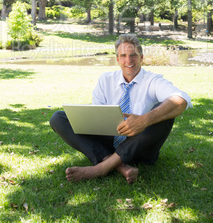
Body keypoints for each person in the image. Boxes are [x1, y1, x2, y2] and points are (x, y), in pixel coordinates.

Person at [50, 34, 192, 184]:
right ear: (117, 59)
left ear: (142, 57)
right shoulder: (106, 80)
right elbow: (96, 118)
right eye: (123, 55)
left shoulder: (153, 81)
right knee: (58, 118)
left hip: (142, 148)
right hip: (110, 143)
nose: (128, 60)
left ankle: (100, 168)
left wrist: (144, 120)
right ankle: (118, 165)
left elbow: (180, 100)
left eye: (133, 55)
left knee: (164, 112)